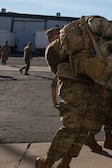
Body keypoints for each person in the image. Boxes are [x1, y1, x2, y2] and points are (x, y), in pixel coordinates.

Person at [36, 26, 98, 168]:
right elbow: (57, 66)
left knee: (83, 129)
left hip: (89, 88)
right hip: (73, 90)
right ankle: (48, 162)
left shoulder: (79, 47)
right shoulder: (52, 49)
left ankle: (65, 162)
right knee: (71, 127)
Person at [84, 21, 112, 152]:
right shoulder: (106, 42)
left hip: (110, 83)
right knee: (100, 111)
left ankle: (109, 138)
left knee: (110, 111)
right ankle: (90, 137)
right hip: (101, 84)